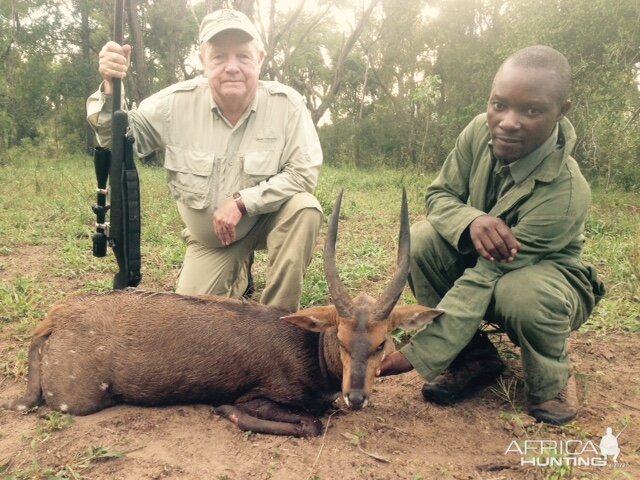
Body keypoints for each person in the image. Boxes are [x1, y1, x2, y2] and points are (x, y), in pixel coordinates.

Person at [378, 45, 605, 426]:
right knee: (421, 241)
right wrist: (471, 220)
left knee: (521, 292)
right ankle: (473, 359)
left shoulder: (566, 191)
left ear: (561, 111)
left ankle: (548, 384)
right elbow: (439, 195)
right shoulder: (477, 131)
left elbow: (489, 273)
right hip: (488, 265)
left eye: (531, 110)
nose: (508, 122)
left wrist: (416, 355)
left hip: (548, 282)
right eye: (499, 104)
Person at [87, 9, 323, 312]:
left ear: (260, 58)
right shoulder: (175, 103)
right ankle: (237, 276)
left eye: (243, 56)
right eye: (219, 57)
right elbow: (116, 139)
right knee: (185, 326)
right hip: (212, 241)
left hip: (267, 219)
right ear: (203, 61)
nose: (232, 67)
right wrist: (110, 86)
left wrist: (242, 203)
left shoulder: (287, 105)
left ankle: (279, 323)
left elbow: (303, 175)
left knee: (305, 208)